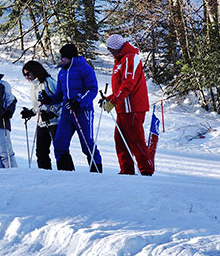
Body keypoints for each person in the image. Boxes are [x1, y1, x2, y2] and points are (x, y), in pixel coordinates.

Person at [39, 44, 102, 172]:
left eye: (63, 57)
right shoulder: (62, 72)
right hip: (67, 113)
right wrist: (48, 99)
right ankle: (65, 171)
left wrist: (79, 102)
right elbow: (59, 95)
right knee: (59, 143)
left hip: (83, 112)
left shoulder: (85, 69)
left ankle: (96, 170)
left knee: (86, 143)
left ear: (71, 57)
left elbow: (92, 89)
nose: (61, 59)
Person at [102, 34, 154, 176]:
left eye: (110, 49)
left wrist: (113, 101)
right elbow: (121, 87)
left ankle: (146, 170)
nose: (110, 52)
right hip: (123, 107)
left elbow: (128, 83)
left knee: (135, 139)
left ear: (116, 47)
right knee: (120, 140)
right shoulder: (120, 59)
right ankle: (127, 170)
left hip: (133, 107)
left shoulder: (130, 58)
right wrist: (109, 99)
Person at [20, 60, 60, 170]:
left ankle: (66, 173)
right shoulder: (34, 86)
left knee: (59, 150)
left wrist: (52, 113)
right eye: (25, 75)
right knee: (41, 152)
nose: (27, 77)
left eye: (28, 73)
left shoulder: (47, 82)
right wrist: (31, 112)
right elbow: (40, 105)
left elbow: (60, 100)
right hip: (42, 122)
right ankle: (45, 174)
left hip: (54, 121)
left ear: (36, 71)